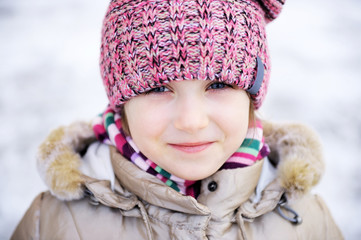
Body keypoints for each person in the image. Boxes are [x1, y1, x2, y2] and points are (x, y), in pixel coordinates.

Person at [12, 0, 343, 239]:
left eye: (218, 84)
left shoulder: (307, 222)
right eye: (157, 88)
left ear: (251, 95)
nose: (191, 121)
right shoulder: (52, 224)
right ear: (121, 105)